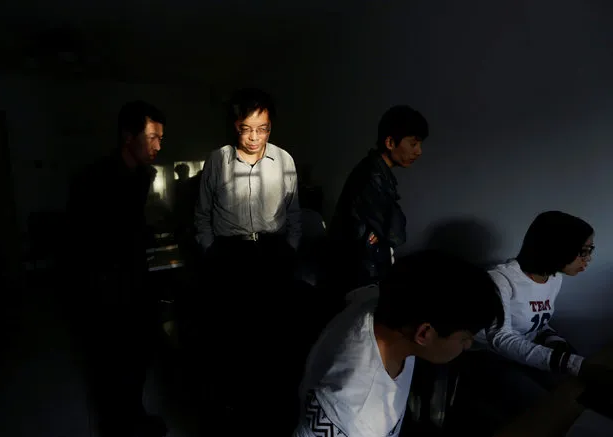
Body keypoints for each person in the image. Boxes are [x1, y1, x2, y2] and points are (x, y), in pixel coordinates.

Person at [292, 250, 505, 437]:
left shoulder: (377, 300)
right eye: (464, 338)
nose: (467, 346)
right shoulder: (354, 415)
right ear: (424, 334)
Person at [66, 101, 167, 437]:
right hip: (105, 289)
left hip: (135, 283)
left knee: (139, 357)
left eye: (160, 138)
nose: (158, 145)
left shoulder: (141, 176)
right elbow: (85, 241)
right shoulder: (93, 179)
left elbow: (132, 226)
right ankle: (117, 427)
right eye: (152, 137)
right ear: (128, 137)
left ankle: (135, 417)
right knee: (110, 367)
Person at [466, 210, 601, 430]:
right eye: (583, 252)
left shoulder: (553, 278)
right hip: (489, 356)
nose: (588, 259)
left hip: (525, 349)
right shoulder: (501, 280)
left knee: (577, 390)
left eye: (589, 251)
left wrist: (554, 341)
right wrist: (569, 361)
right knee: (547, 408)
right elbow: (500, 338)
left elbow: (537, 321)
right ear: (558, 247)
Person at [194, 87, 302, 282]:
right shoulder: (217, 160)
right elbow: (202, 213)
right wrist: (209, 250)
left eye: (262, 129)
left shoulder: (284, 160)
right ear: (235, 125)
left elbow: (293, 213)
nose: (254, 137)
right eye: (246, 128)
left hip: (274, 251)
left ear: (270, 126)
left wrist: (291, 248)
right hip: (228, 254)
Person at [327, 105, 428, 292]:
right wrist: (382, 233)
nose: (419, 151)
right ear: (390, 143)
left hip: (363, 269)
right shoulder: (371, 176)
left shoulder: (378, 172)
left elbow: (389, 227)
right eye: (413, 144)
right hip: (357, 275)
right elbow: (395, 232)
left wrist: (381, 232)